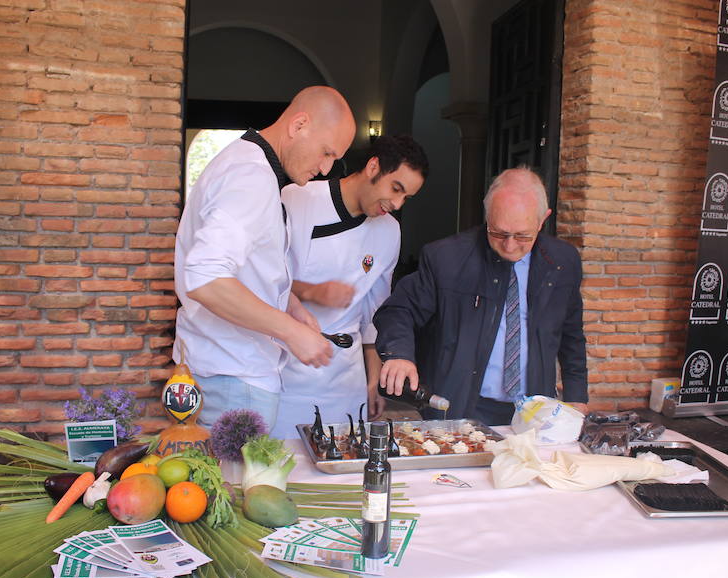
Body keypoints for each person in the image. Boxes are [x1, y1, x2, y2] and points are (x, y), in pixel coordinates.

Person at [173, 86, 356, 429]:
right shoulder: (251, 175)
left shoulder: (249, 165)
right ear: (299, 124)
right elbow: (205, 277)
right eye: (326, 152)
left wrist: (291, 305)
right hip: (233, 377)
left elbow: (248, 270)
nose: (327, 167)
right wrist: (291, 332)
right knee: (237, 484)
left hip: (228, 372)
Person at [373, 167, 588, 425]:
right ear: (487, 216)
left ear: (543, 219)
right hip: (460, 406)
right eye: (498, 232)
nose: (509, 245)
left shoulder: (563, 262)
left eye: (522, 235)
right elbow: (399, 311)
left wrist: (576, 396)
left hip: (535, 410)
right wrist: (400, 355)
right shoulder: (447, 258)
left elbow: (572, 334)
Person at [270, 135, 429, 439]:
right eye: (395, 189)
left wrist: (372, 379)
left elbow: (374, 312)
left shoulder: (390, 231)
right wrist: (312, 292)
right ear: (373, 167)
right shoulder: (298, 199)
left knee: (345, 467)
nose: (396, 204)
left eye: (406, 198)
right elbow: (265, 278)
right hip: (288, 368)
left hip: (346, 375)